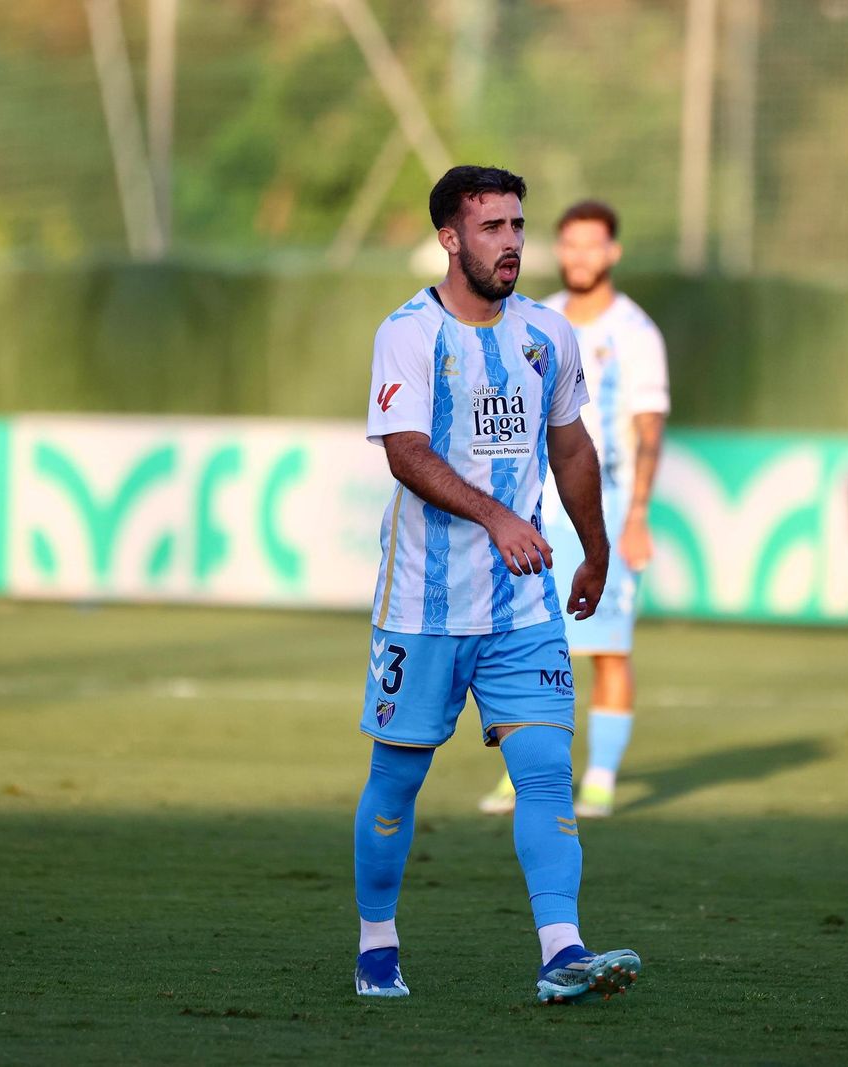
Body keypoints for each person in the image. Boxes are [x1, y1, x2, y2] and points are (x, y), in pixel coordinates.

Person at [353, 165, 641, 1005]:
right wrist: (496, 518)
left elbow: (573, 445)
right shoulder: (408, 332)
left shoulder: (546, 333)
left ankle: (562, 950)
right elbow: (405, 451)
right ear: (450, 238)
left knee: (546, 768)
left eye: (519, 225)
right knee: (397, 780)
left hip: (523, 604)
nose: (512, 242)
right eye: (492, 228)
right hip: (421, 604)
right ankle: (376, 943)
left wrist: (593, 548)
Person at [478, 200, 669, 819]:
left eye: (593, 245)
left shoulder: (635, 333)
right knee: (519, 647)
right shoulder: (533, 317)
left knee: (608, 648)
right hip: (535, 509)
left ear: (612, 252)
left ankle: (601, 780)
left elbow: (648, 429)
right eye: (570, 245)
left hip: (604, 509)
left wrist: (636, 515)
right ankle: (523, 776)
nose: (580, 256)